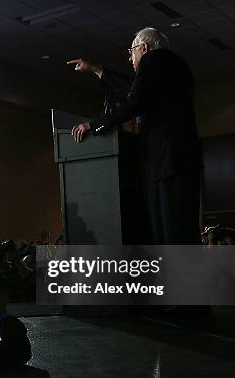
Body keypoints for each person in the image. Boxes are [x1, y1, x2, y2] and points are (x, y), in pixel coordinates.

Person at [68, 27, 203, 245]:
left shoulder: (154, 59)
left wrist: (93, 124)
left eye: (131, 52)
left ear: (144, 47)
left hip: (168, 161)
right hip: (179, 161)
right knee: (181, 232)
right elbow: (136, 87)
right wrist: (95, 69)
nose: (130, 58)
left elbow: (135, 100)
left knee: (170, 234)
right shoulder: (171, 66)